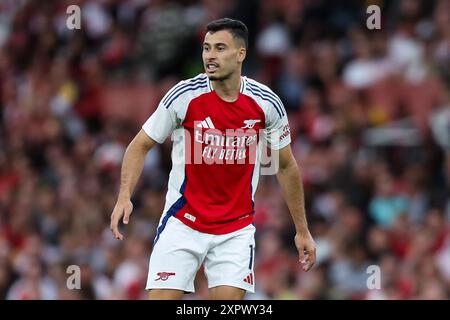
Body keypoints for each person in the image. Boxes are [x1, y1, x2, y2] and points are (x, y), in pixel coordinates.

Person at [110, 18, 316, 300]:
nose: (210, 56)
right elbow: (138, 146)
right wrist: (124, 195)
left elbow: (286, 165)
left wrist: (302, 231)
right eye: (207, 48)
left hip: (236, 228)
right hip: (183, 221)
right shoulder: (185, 95)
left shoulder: (266, 103)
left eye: (220, 48)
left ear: (240, 54)